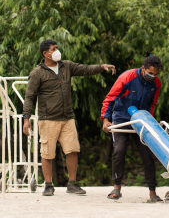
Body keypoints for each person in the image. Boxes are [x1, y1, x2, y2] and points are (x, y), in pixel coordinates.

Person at [22, 39, 116, 196]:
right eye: (54, 49)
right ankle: (48, 185)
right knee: (47, 152)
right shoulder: (37, 72)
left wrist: (101, 67)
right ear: (45, 53)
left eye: (57, 47)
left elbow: (85, 69)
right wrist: (26, 119)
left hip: (67, 118)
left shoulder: (67, 66)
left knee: (72, 150)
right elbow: (29, 96)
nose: (57, 51)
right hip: (48, 118)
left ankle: (72, 184)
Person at [100, 52, 163, 202]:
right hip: (122, 119)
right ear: (143, 68)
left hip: (141, 120)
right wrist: (105, 120)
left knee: (148, 154)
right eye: (149, 73)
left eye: (155, 74)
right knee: (119, 150)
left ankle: (153, 193)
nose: (152, 76)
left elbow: (152, 104)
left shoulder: (156, 83)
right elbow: (110, 99)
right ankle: (116, 188)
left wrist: (150, 120)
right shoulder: (127, 77)